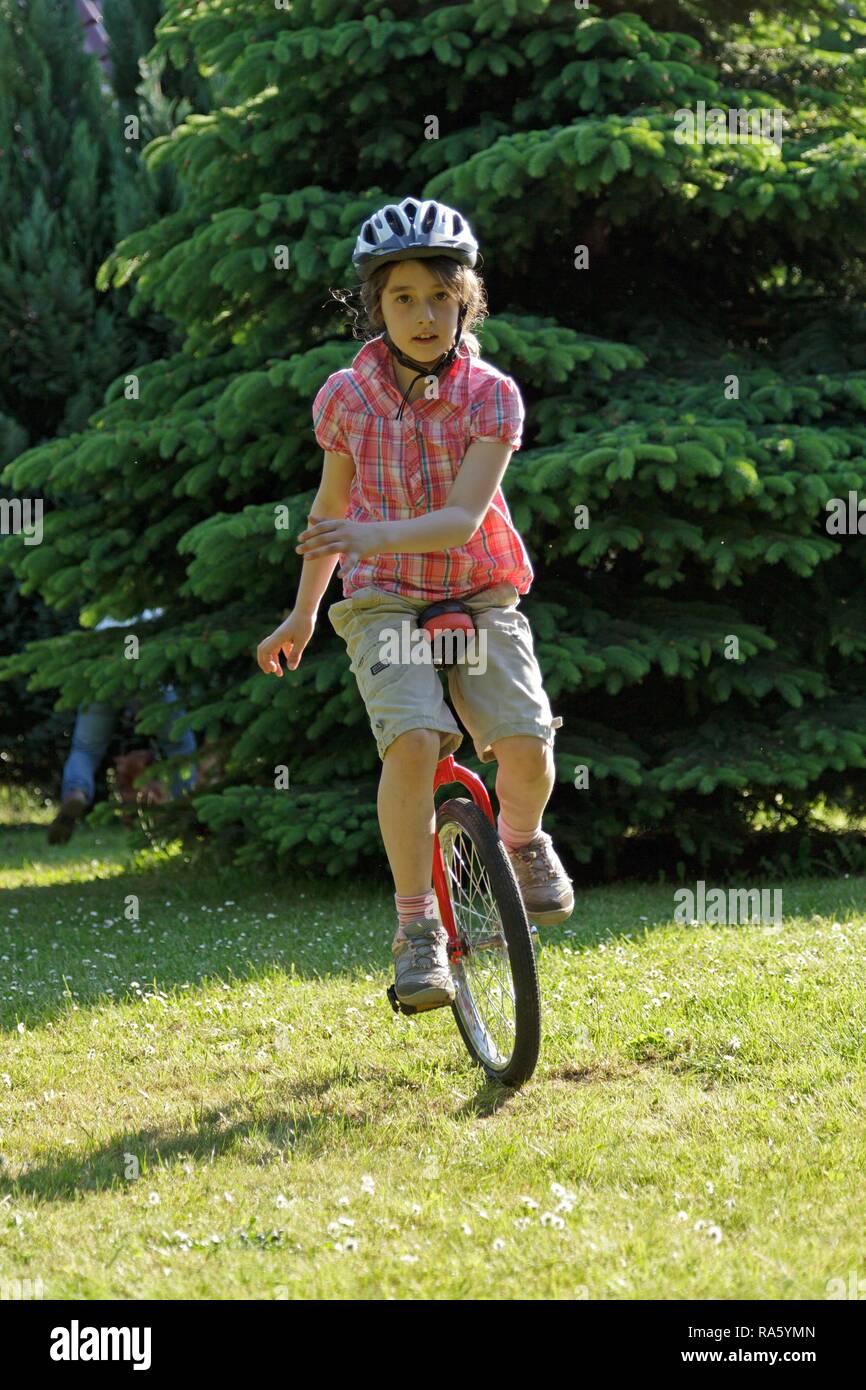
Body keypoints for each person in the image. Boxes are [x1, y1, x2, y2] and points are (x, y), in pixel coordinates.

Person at [256, 196, 573, 1009]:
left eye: (440, 296)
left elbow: (464, 520)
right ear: (377, 306)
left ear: (466, 301)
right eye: (403, 298)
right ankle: (418, 929)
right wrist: (301, 616)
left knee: (526, 743)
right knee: (416, 739)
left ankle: (520, 841)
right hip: (385, 600)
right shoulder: (346, 399)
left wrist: (368, 535)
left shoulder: (492, 396)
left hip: (477, 582)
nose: (424, 315)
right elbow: (332, 519)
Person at [47, 609, 198, 844]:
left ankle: (76, 792)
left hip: (104, 667)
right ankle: (189, 814)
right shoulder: (151, 590)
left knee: (85, 749)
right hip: (147, 669)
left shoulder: (107, 602)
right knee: (179, 746)